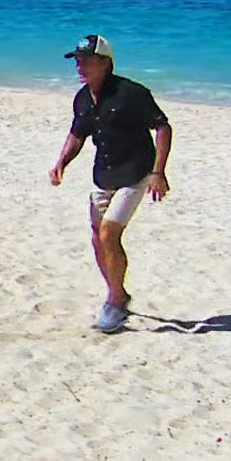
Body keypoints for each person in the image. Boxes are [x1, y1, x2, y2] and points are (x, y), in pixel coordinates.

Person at [47, 34, 173, 334]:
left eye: (86, 61)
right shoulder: (82, 99)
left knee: (108, 233)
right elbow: (77, 134)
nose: (80, 67)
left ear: (105, 63)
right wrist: (61, 162)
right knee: (97, 237)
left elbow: (163, 127)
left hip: (136, 173)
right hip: (104, 175)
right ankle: (117, 292)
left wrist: (158, 172)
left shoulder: (131, 93)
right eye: (78, 61)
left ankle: (116, 302)